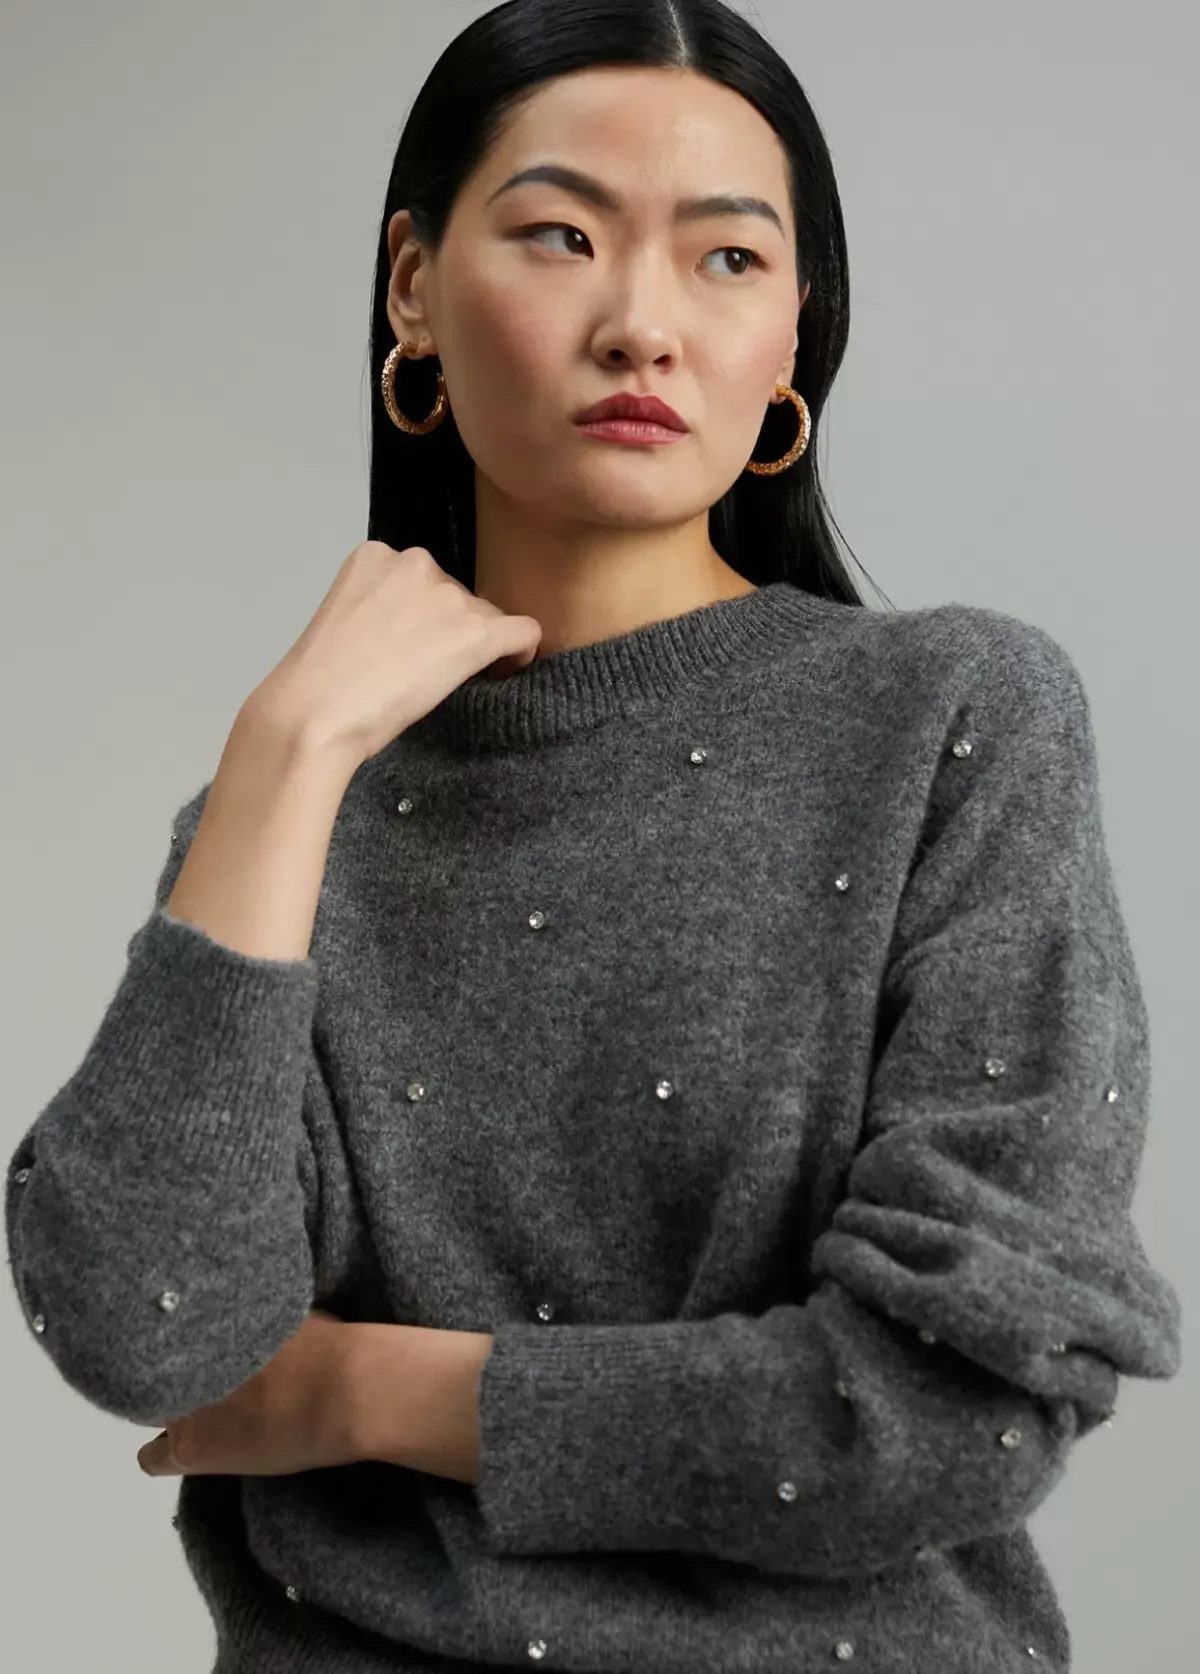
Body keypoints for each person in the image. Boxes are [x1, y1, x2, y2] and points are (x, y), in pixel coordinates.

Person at [5, 1, 1181, 1670]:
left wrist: (357, 1387)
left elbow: (952, 1405)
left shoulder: (957, 718)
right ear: (412, 286)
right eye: (562, 235)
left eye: (727, 258)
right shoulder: (288, 819)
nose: (642, 325)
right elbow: (145, 1324)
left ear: (793, 333)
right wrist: (285, 751)